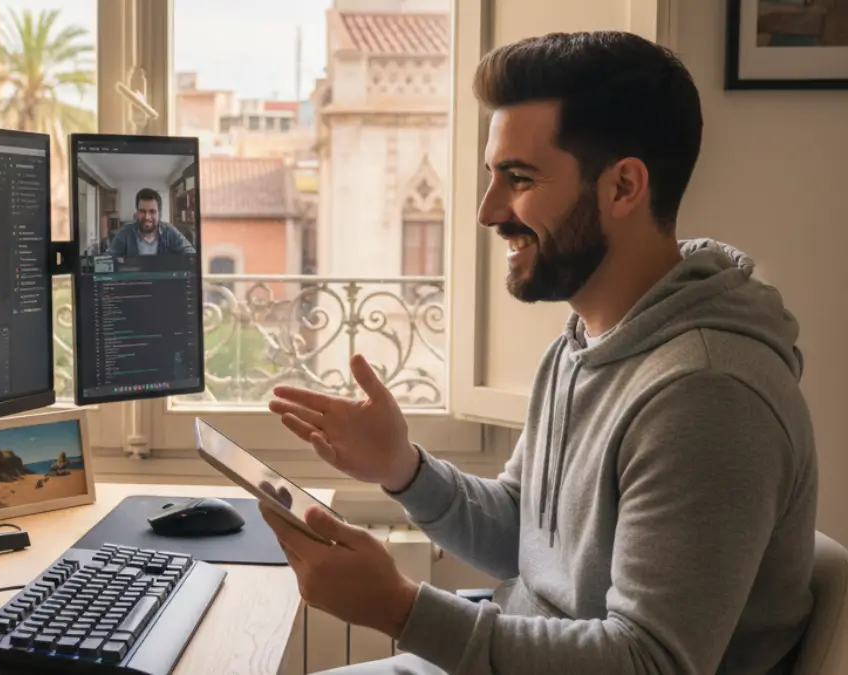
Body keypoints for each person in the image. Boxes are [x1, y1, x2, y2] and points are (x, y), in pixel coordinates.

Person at [261, 30, 817, 675]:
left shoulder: (709, 394)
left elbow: (650, 663)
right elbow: (524, 539)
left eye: (518, 178)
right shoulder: (581, 343)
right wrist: (403, 468)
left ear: (623, 187)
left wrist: (400, 609)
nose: (489, 211)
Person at [106, 187, 195, 256]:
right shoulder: (125, 232)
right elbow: (108, 258)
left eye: (152, 211)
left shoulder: (170, 231)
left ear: (159, 213)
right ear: (137, 212)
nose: (147, 217)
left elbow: (191, 254)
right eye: (142, 211)